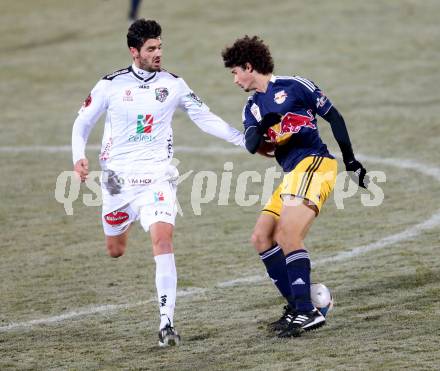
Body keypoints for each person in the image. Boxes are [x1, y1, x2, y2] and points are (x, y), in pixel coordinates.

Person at [72, 19, 244, 347]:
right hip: (116, 183)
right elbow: (82, 123)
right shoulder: (110, 85)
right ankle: (124, 227)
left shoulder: (174, 85)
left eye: (160, 47)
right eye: (151, 49)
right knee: (115, 250)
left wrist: (241, 138)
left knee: (163, 241)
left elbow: (204, 117)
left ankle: (167, 323)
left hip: (157, 177)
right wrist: (78, 156)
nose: (158, 53)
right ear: (133, 52)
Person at [222, 36, 367, 337]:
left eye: (235, 72)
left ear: (249, 67)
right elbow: (251, 144)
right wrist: (268, 122)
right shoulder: (252, 107)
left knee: (287, 234)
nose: (234, 80)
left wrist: (351, 161)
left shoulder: (296, 86)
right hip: (291, 174)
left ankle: (306, 312)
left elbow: (335, 118)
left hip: (315, 163)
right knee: (262, 237)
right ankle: (298, 306)